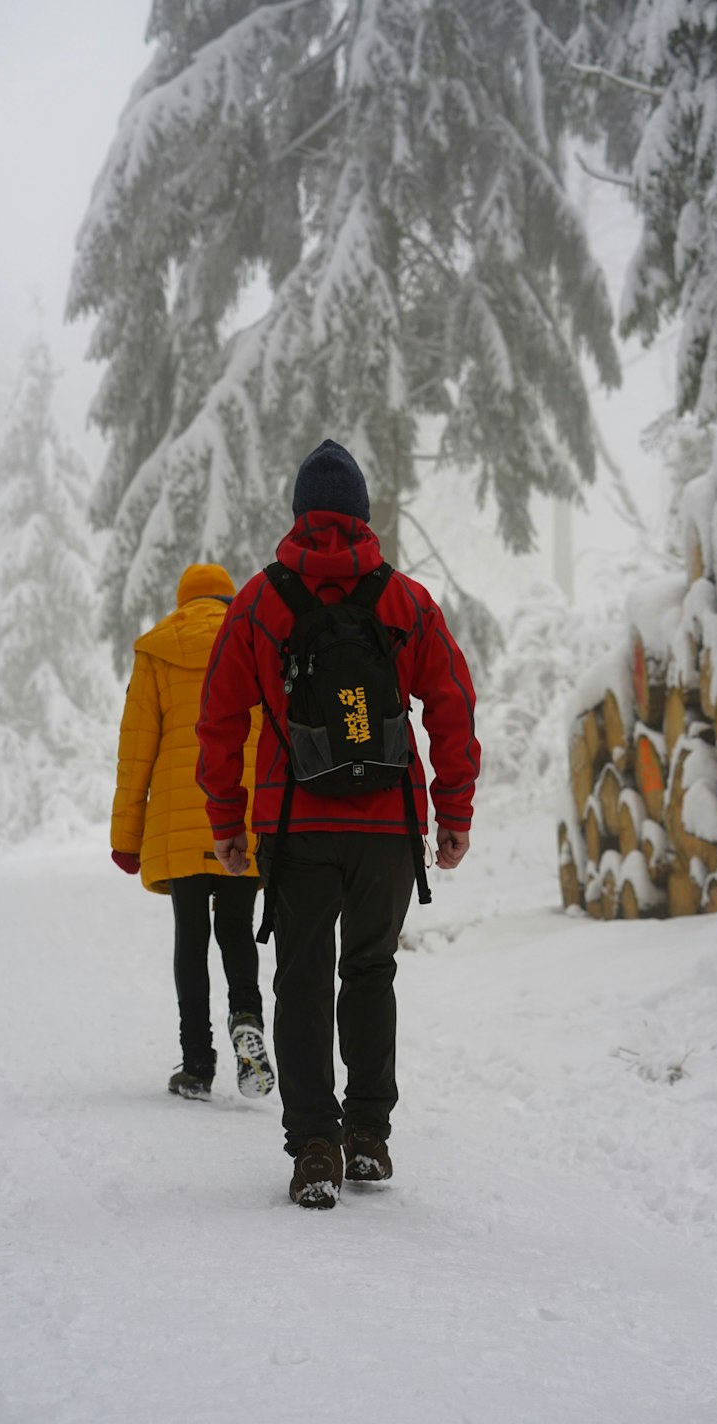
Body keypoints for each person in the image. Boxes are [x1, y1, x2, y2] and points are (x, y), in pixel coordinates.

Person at [197, 440, 479, 1207]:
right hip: (387, 828)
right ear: (361, 517)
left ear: (298, 517)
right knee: (370, 974)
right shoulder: (405, 602)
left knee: (301, 982)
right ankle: (369, 1137)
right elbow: (452, 701)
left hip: (296, 828)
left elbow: (220, 721)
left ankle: (314, 1146)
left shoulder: (260, 602)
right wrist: (453, 808)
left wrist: (227, 821)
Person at [110, 563, 275, 1103]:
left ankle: (197, 1064)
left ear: (182, 603)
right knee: (235, 927)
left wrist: (126, 837)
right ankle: (247, 1017)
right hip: (241, 812)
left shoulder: (157, 649)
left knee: (190, 937)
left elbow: (136, 753)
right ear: (228, 600)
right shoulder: (252, 640)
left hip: (177, 820)